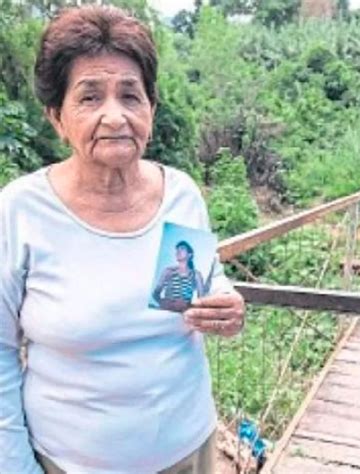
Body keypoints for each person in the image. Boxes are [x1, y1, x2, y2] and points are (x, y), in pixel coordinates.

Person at [0, 5, 245, 474]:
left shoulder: (181, 193)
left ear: (151, 108)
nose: (115, 116)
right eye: (90, 97)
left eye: (130, 96)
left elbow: (203, 281)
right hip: (71, 462)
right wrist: (15, 465)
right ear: (57, 117)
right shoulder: (20, 211)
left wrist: (227, 301)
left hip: (189, 450)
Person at [153, 241, 205, 312]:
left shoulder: (196, 274)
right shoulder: (168, 271)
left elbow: (202, 299)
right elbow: (155, 293)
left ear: (190, 255)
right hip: (166, 311)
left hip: (183, 313)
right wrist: (162, 302)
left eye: (182, 249)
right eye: (177, 250)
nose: (178, 251)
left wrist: (188, 306)